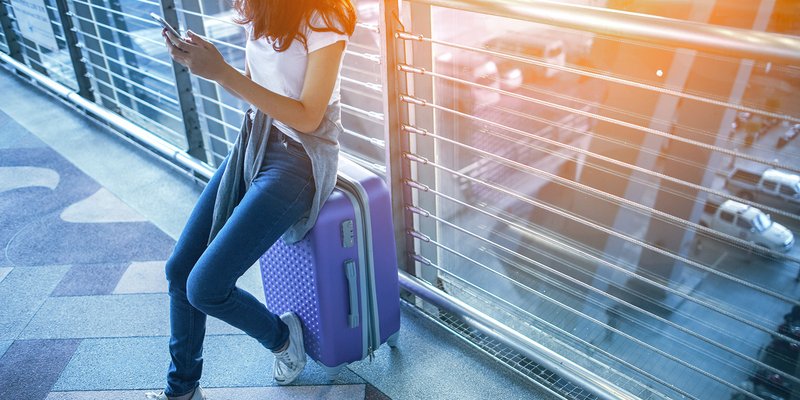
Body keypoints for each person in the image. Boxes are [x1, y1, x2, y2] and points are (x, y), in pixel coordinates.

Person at [145, 1, 356, 399]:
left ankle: (281, 338)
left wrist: (221, 73)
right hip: (256, 140)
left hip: (299, 158)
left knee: (205, 287)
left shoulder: (324, 16)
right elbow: (262, 88)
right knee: (179, 272)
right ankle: (181, 391)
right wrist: (208, 62)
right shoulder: (262, 7)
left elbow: (310, 117)